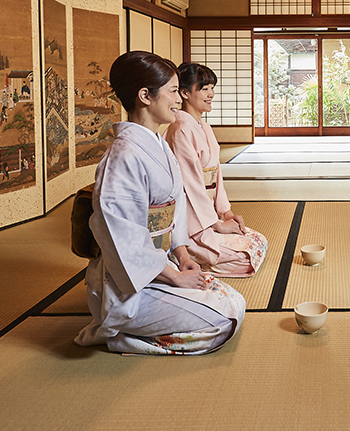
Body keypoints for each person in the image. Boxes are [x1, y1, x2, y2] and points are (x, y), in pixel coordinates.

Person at [74, 51, 245, 355]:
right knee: (224, 319)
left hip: (161, 266)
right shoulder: (124, 157)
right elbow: (123, 240)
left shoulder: (157, 144)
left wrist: (181, 254)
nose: (179, 100)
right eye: (171, 91)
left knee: (234, 302)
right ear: (145, 96)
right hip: (129, 286)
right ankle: (119, 335)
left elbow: (176, 209)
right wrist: (176, 277)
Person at [165, 62, 267, 277]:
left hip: (209, 212)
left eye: (212, 88)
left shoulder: (204, 126)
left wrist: (226, 212)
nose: (211, 94)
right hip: (193, 220)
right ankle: (184, 254)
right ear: (184, 93)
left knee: (258, 241)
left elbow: (215, 175)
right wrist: (216, 225)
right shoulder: (180, 129)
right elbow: (190, 187)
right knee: (243, 258)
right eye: (204, 88)